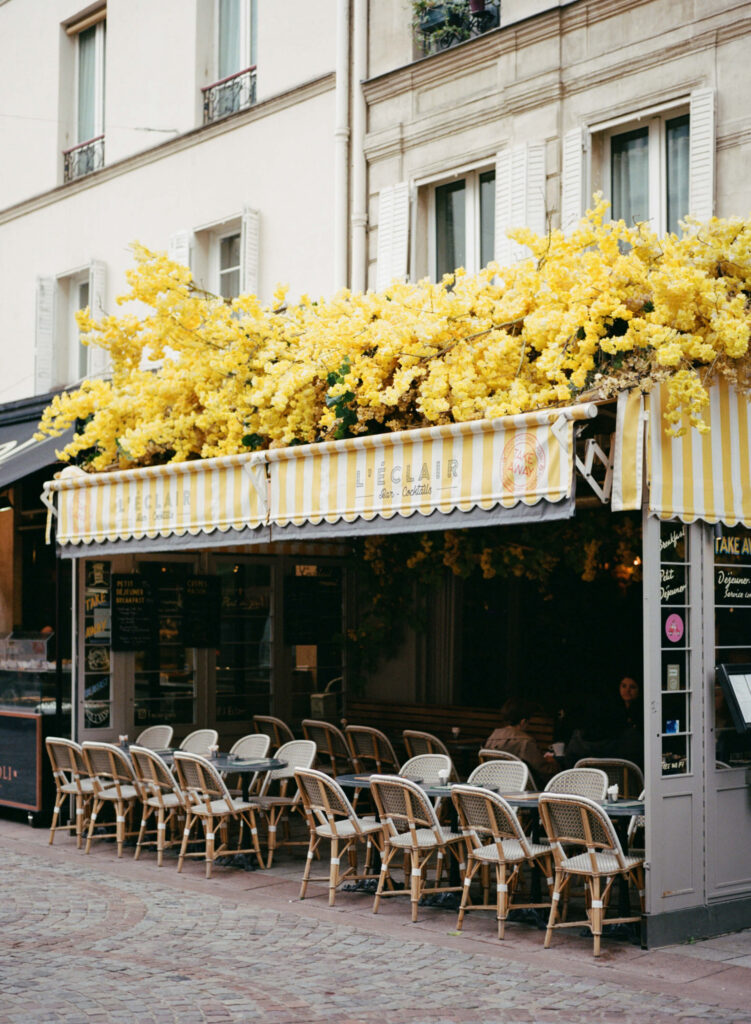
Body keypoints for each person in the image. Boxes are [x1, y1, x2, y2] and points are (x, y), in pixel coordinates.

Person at [484, 697, 557, 782]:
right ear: (523, 722)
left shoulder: (491, 738)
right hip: (522, 788)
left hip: (495, 784)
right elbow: (545, 770)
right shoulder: (526, 741)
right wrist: (553, 762)